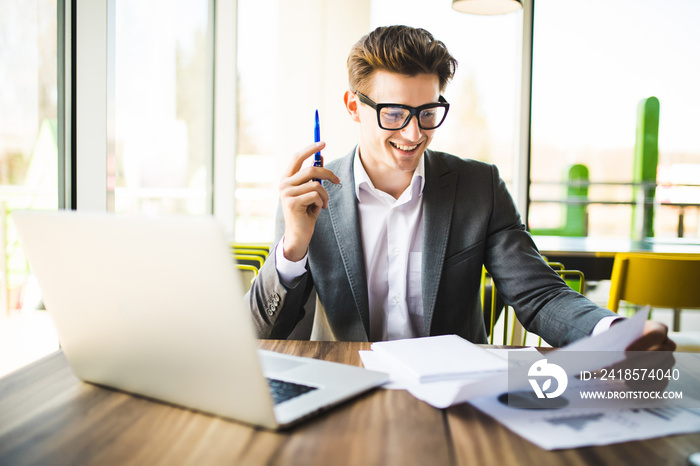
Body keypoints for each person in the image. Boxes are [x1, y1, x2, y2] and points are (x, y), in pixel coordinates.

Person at [247, 25, 675, 351]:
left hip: (454, 401)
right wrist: (292, 250)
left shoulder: (478, 187)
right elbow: (263, 334)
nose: (414, 133)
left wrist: (613, 332)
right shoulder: (310, 198)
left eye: (428, 112)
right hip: (348, 390)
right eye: (394, 113)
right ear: (353, 107)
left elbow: (539, 294)